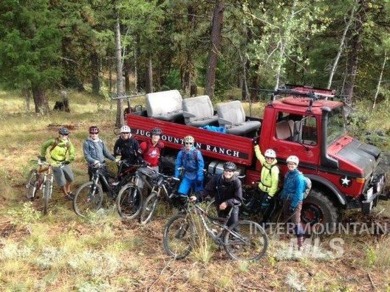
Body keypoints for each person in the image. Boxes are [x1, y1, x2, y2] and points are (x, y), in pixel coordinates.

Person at [199, 162, 242, 227]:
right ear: (223, 170)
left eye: (230, 171)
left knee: (233, 225)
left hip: (232, 206)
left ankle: (235, 236)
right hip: (220, 205)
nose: (228, 173)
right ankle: (223, 236)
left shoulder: (237, 182)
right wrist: (197, 196)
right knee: (222, 224)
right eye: (226, 170)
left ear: (233, 172)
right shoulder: (217, 178)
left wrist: (226, 203)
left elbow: (238, 199)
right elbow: (207, 190)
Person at [40, 127, 75, 200]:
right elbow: (44, 146)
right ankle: (65, 195)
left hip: (63, 162)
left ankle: (68, 190)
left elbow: (72, 152)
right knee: (61, 181)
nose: (64, 136)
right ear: (59, 135)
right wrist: (43, 156)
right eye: (63, 135)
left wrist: (70, 159)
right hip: (54, 162)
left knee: (70, 178)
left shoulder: (68, 143)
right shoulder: (54, 141)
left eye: (66, 135)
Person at [279, 155, 306, 249]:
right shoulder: (288, 174)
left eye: (293, 164)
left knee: (296, 221)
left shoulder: (299, 178)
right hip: (286, 199)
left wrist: (293, 205)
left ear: (296, 165)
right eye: (289, 164)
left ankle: (300, 243)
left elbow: (299, 194)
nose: (291, 165)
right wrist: (282, 197)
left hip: (295, 201)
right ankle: (286, 235)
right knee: (286, 217)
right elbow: (285, 187)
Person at [254, 144, 280, 224]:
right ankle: (259, 219)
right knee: (261, 204)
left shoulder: (274, 169)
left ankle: (265, 222)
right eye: (267, 158)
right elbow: (259, 155)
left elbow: (275, 183)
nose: (269, 159)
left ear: (274, 159)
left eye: (271, 158)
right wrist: (256, 146)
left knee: (267, 207)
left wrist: (270, 195)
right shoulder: (264, 163)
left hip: (269, 191)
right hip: (262, 188)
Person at [174, 135, 204, 202]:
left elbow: (201, 165)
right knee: (181, 193)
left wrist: (200, 176)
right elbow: (178, 164)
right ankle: (185, 206)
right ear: (184, 143)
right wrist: (176, 175)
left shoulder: (197, 153)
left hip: (196, 174)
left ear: (193, 144)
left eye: (190, 143)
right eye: (186, 143)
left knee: (199, 194)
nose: (188, 145)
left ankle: (197, 207)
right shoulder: (181, 153)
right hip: (187, 175)